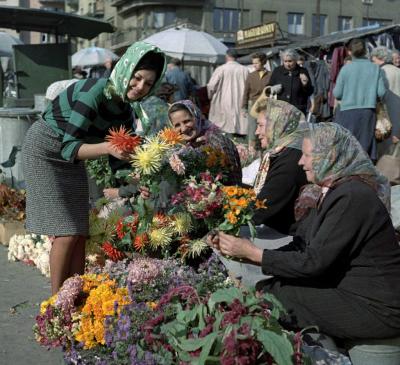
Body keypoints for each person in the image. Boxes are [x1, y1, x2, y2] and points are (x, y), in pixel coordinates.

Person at [209, 123, 400, 340]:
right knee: (272, 288)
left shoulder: (352, 196)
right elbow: (301, 244)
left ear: (331, 156)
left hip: (378, 307)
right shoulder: (334, 191)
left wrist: (254, 253)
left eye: (307, 155)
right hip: (353, 290)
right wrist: (242, 253)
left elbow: (314, 262)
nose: (301, 162)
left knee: (275, 297)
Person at [22, 41, 167, 295]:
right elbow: (69, 147)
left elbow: (120, 163)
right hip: (44, 150)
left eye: (148, 84)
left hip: (73, 157)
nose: (141, 87)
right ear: (126, 69)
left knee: (79, 231)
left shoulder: (124, 109)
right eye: (138, 78)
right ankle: (56, 304)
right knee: (66, 232)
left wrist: (138, 181)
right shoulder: (96, 92)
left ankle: (76, 295)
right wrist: (108, 147)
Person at [249, 97, 308, 235]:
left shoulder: (292, 161)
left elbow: (262, 208)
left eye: (261, 125)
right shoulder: (283, 152)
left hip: (286, 234)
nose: (256, 132)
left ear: (277, 126)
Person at [333, 38, 386, 161]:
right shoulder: (375, 68)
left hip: (347, 112)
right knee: (364, 149)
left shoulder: (346, 69)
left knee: (346, 147)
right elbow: (381, 92)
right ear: (365, 51)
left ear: (349, 52)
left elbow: (337, 93)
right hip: (367, 112)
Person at [168, 99, 242, 185]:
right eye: (177, 125)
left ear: (197, 117)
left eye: (187, 121)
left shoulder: (217, 141)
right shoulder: (186, 148)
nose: (183, 129)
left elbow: (231, 180)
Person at [207, 48, 249, 136]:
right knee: (240, 123)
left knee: (223, 125)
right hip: (240, 99)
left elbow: (211, 86)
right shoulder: (245, 69)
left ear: (227, 56)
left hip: (223, 99)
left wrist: (210, 96)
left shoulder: (221, 69)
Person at [371, 46, 400, 152]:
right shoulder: (398, 70)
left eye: (373, 59)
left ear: (378, 58)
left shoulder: (380, 72)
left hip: (386, 114)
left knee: (386, 149)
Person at [267, 49, 313, 115]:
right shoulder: (277, 71)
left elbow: (310, 91)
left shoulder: (303, 71)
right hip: (281, 110)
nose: (287, 64)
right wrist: (271, 89)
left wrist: (305, 84)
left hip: (297, 110)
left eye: (290, 61)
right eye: (285, 61)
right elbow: (268, 87)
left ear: (295, 60)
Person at [241, 52, 271, 147]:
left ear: (263, 62)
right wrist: (244, 107)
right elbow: (246, 92)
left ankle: (264, 146)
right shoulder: (251, 75)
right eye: (253, 63)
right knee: (252, 128)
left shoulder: (271, 75)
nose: (254, 65)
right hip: (253, 105)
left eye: (256, 63)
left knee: (265, 126)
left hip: (266, 105)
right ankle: (252, 150)